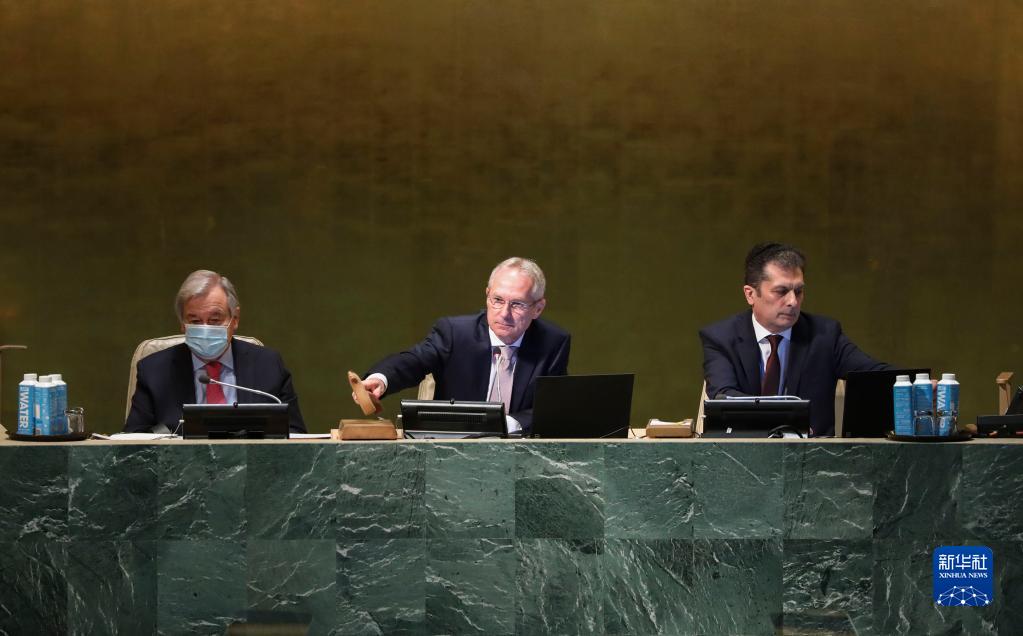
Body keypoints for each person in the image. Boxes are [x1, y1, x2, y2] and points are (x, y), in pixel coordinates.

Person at [359, 257, 570, 435]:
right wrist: (381, 379)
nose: (504, 313)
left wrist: (507, 423)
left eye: (517, 304)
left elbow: (552, 407)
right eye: (497, 300)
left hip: (520, 453)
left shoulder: (553, 343)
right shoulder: (456, 333)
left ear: (538, 308)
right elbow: (415, 361)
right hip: (453, 449)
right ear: (487, 295)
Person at [699, 243, 889, 436]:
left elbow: (877, 377)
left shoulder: (825, 336)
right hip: (743, 451)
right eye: (781, 291)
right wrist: (790, 424)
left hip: (813, 453)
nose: (793, 301)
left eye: (798, 291)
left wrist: (909, 387)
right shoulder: (721, 338)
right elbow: (726, 399)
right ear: (750, 294)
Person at [124, 270, 306, 434]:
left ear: (235, 319)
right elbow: (133, 443)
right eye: (195, 321)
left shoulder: (268, 365)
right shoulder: (154, 371)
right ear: (182, 324)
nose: (205, 328)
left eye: (215, 320)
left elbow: (295, 434)